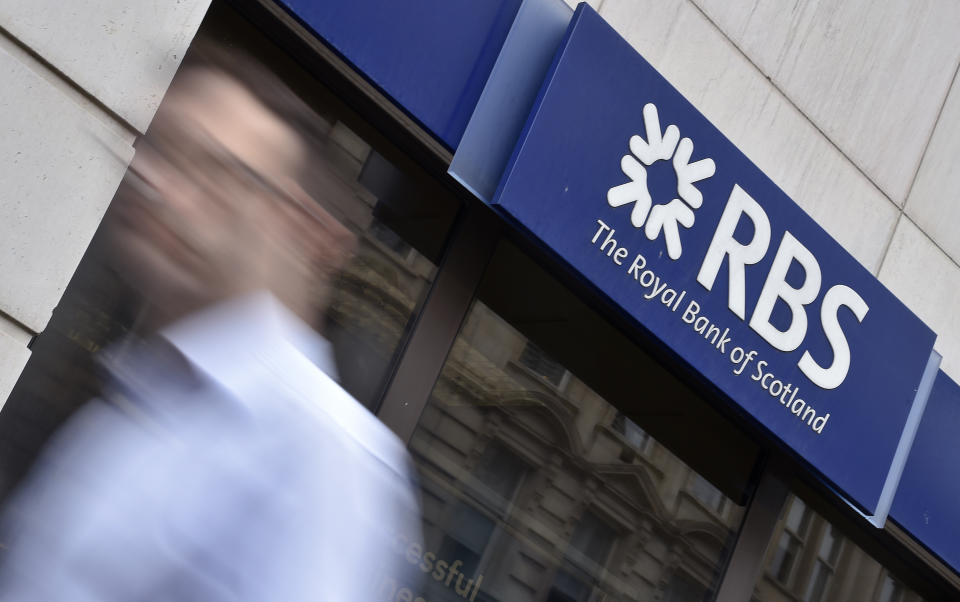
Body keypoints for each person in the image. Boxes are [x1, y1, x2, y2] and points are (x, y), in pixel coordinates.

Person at [0, 43, 421, 601]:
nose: (161, 191)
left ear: (299, 226)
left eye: (213, 172)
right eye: (158, 157)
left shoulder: (320, 454)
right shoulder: (135, 400)